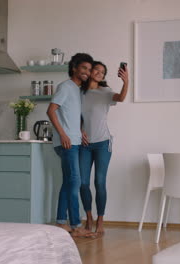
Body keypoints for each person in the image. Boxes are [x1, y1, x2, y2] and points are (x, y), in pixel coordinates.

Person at [47, 53, 95, 237]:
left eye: (89, 70)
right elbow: (51, 111)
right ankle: (75, 226)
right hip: (66, 142)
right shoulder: (65, 87)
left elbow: (72, 115)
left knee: (69, 182)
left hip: (74, 140)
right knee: (74, 181)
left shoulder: (78, 90)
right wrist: (63, 134)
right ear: (74, 68)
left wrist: (80, 130)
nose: (87, 72)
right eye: (84, 68)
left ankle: (61, 222)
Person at [79, 61, 128, 234]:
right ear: (90, 71)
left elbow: (121, 98)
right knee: (83, 183)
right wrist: (79, 130)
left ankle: (100, 219)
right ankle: (89, 216)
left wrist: (126, 81)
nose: (100, 73)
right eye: (97, 70)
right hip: (84, 145)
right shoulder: (80, 93)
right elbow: (74, 115)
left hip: (102, 143)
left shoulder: (105, 92)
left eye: (103, 72)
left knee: (99, 182)